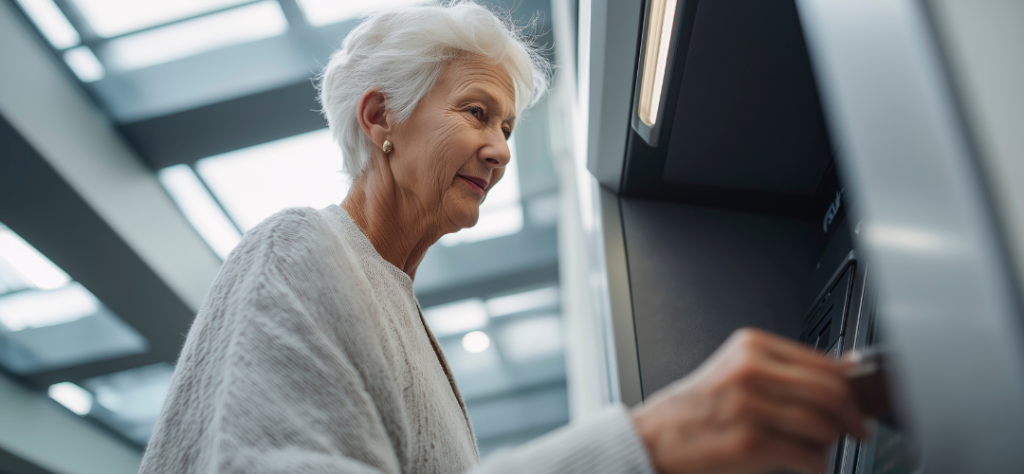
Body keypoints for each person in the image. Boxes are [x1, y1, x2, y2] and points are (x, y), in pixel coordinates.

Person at [138, 2, 868, 474]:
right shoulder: (295, 249)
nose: (501, 149)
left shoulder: (398, 309)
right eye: (478, 112)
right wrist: (646, 442)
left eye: (509, 128)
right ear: (379, 117)